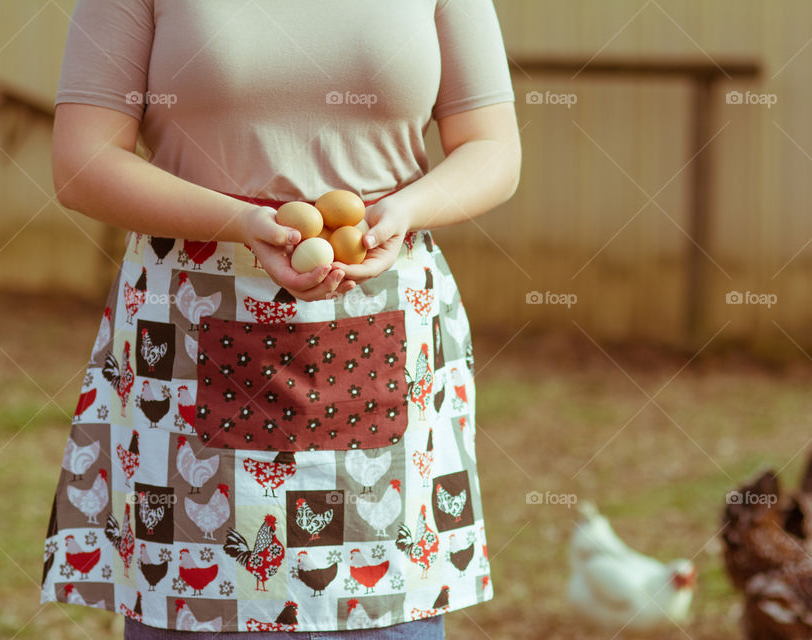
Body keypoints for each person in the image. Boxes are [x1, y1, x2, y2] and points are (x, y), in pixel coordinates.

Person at [39, 0, 521, 638]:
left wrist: (405, 212)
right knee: (193, 610)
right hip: (184, 332)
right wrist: (239, 222)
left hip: (379, 310)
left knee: (383, 619)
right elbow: (82, 162)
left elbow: (492, 147)